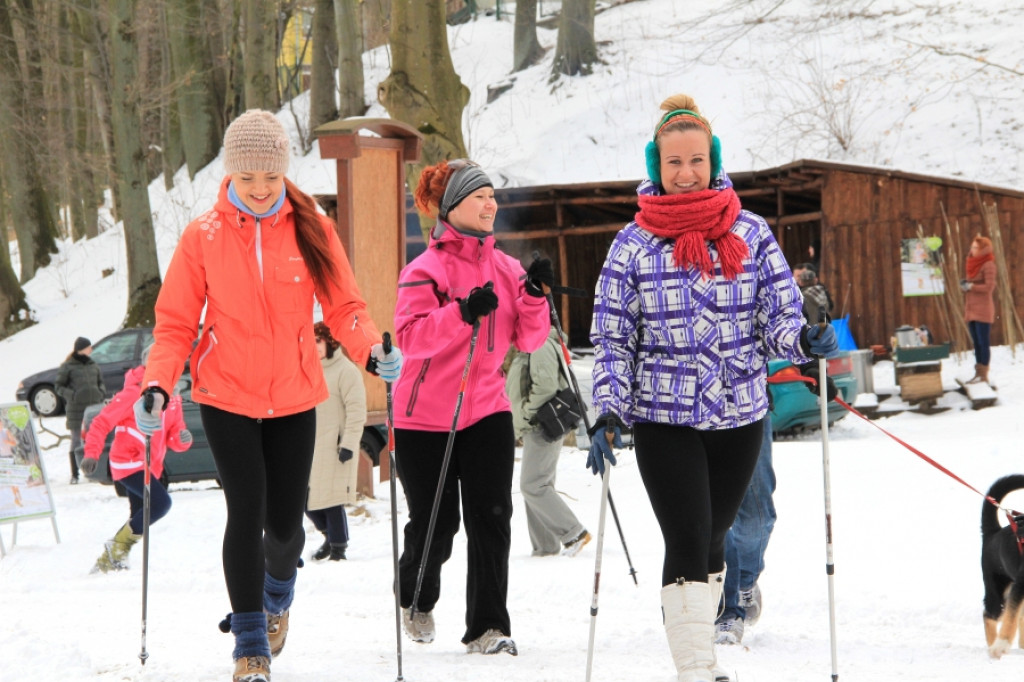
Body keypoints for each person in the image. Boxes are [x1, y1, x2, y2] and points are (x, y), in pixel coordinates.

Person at [132, 110, 402, 682]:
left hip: (295, 396)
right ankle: (249, 643)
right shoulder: (202, 235)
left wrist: (370, 352)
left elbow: (345, 308)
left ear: (284, 174)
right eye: (247, 177)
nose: (259, 189)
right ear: (231, 174)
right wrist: (157, 382)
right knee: (245, 512)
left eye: (270, 178)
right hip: (226, 396)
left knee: (285, 530)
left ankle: (278, 596)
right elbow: (176, 322)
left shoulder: (312, 228)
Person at [588, 93, 839, 682]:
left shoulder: (750, 233)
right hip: (663, 415)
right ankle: (697, 668)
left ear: (713, 160)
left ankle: (698, 628)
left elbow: (775, 318)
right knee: (687, 533)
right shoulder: (632, 245)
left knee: (714, 538)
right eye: (673, 162)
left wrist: (805, 340)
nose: (686, 173)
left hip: (740, 414)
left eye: (696, 160)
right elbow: (614, 339)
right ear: (656, 166)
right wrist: (607, 410)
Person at [391, 158, 550, 657]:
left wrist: (534, 296)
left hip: (485, 409)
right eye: (480, 196)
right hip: (424, 418)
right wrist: (460, 313)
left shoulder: (506, 268)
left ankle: (487, 626)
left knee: (492, 516)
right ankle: (416, 597)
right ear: (454, 206)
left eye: (493, 196)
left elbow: (529, 339)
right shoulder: (424, 269)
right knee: (436, 523)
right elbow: (409, 338)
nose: (491, 204)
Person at [81, 346, 192, 573]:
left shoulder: (174, 397)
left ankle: (109, 562)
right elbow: (101, 423)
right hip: (128, 462)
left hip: (152, 466)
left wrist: (183, 439)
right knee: (161, 504)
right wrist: (91, 453)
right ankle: (117, 549)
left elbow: (173, 436)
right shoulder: (133, 393)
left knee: (139, 514)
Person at [506, 320, 591, 558]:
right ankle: (545, 548)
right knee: (537, 485)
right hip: (536, 425)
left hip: (541, 424)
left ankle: (574, 533)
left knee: (534, 485)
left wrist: (524, 414)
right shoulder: (530, 344)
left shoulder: (540, 343)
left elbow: (545, 387)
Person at [305, 322, 367, 562]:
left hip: (335, 446)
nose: (314, 346)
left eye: (318, 341)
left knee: (331, 499)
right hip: (311, 445)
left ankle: (338, 547)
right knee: (306, 499)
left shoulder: (346, 371)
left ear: (330, 342)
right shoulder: (311, 369)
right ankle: (328, 537)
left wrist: (349, 444)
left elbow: (356, 411)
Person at [55, 336, 105, 484]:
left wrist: (100, 392)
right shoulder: (67, 366)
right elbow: (59, 386)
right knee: (76, 440)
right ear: (82, 348)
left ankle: (92, 472)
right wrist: (73, 395)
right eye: (89, 347)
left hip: (94, 408)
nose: (91, 349)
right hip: (76, 409)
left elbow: (100, 382)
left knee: (93, 440)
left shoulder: (93, 365)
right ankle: (75, 474)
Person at [961, 235, 997, 385]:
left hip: (983, 309)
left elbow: (989, 286)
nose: (972, 250)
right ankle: (978, 372)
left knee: (983, 342)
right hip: (972, 308)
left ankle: (984, 374)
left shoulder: (988, 264)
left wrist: (972, 287)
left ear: (983, 250)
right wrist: (965, 284)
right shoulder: (972, 263)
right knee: (976, 342)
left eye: (976, 248)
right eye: (972, 247)